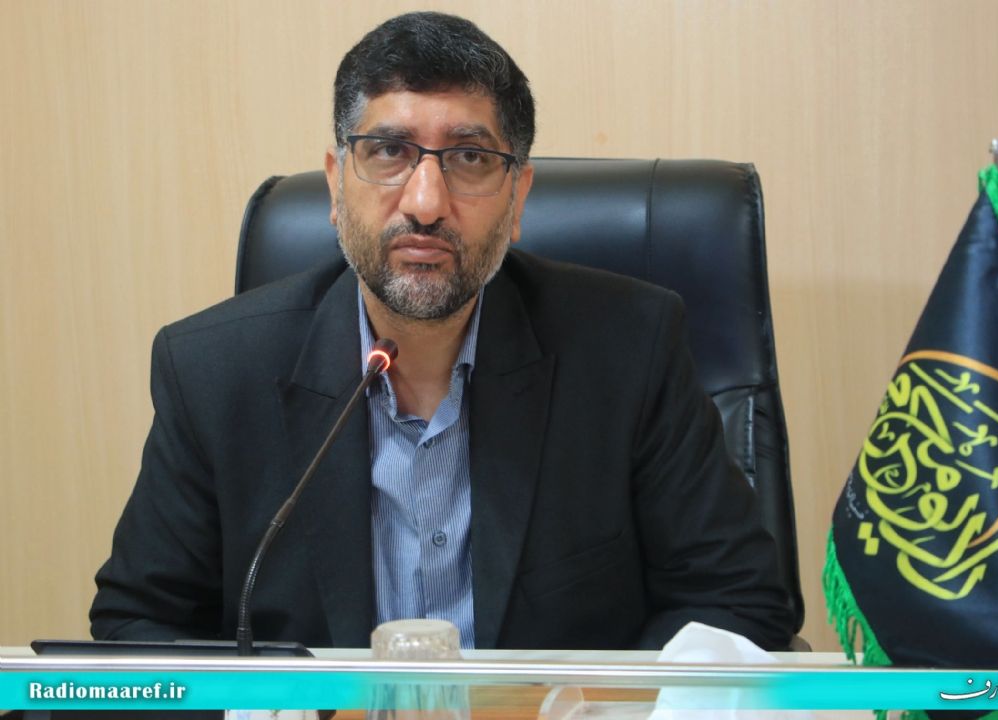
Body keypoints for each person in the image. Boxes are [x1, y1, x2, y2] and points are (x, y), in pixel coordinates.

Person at [90, 11, 795, 651]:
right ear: (336, 185)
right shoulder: (213, 372)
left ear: (517, 197)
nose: (425, 203)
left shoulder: (630, 351)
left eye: (469, 158)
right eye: (388, 151)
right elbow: (136, 627)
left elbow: (736, 602)